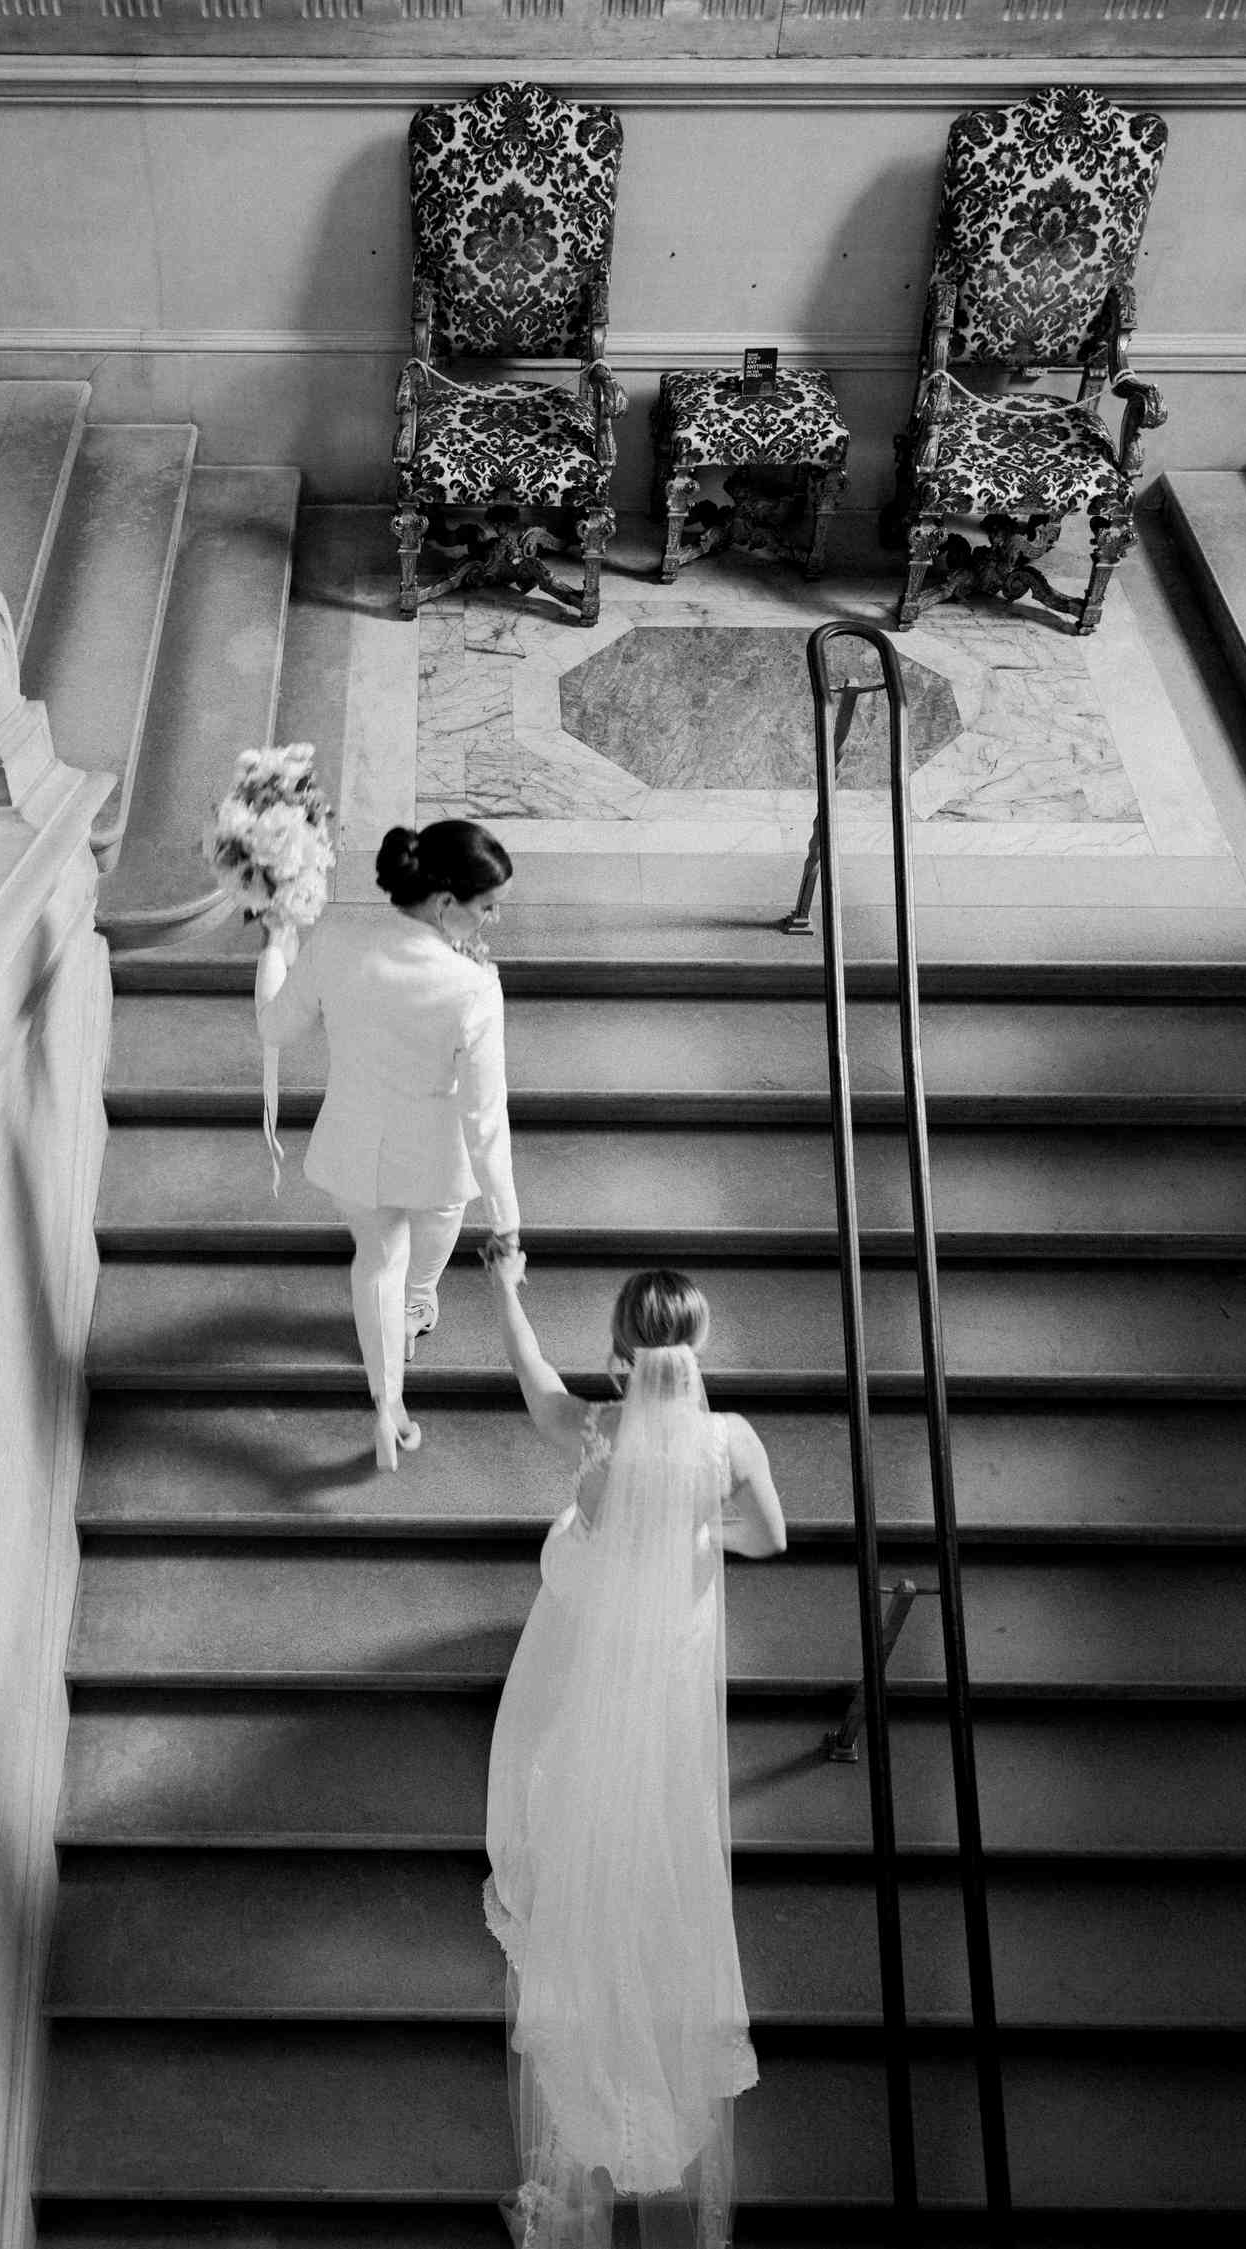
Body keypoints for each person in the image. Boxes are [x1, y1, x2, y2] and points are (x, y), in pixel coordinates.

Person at [483, 1262, 786, 2249]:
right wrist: (694, 1525)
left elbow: (536, 1384)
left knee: (567, 1764)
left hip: (597, 1634)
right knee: (660, 1787)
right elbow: (768, 1536)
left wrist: (506, 1288)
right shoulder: (729, 1439)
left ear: (619, 1354)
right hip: (671, 1639)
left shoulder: (600, 1433)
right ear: (698, 1348)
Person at [255, 819, 520, 1471]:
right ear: (446, 902)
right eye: (487, 907)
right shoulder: (473, 986)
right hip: (437, 1160)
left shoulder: (335, 942)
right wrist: (506, 1221)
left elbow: (274, 1028)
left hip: (355, 1148)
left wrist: (277, 945)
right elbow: (485, 1117)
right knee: (426, 1247)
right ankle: (417, 1306)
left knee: (377, 1261)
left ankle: (386, 1404)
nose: (492, 921)